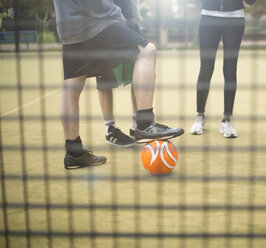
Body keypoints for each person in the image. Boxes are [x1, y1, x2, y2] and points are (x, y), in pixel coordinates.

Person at [54, 0, 184, 169]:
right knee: (146, 51)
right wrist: (113, 12)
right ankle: (144, 124)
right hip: (97, 22)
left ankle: (74, 153)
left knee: (73, 83)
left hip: (69, 27)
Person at [189, 0, 255, 138]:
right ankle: (200, 116)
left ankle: (227, 120)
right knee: (206, 68)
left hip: (235, 18)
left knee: (230, 69)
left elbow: (250, 2)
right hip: (208, 17)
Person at [96, 0, 144, 147]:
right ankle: (110, 128)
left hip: (130, 21)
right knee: (104, 75)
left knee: (140, 71)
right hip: (104, 23)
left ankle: (137, 125)